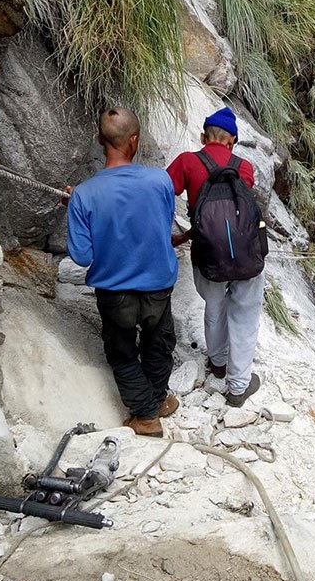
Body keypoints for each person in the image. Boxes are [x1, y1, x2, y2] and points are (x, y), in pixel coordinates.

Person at [67, 108, 179, 438]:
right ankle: (153, 407)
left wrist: (75, 210)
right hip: (158, 285)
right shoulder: (160, 180)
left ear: (101, 140)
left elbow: (81, 254)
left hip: (114, 293)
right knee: (158, 346)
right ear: (134, 140)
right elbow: (163, 223)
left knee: (123, 352)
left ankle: (146, 412)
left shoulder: (84, 194)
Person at [167, 107, 264, 407]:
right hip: (246, 255)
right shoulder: (244, 166)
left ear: (202, 136)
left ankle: (218, 363)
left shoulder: (187, 161)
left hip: (207, 255)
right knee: (244, 315)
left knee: (214, 306)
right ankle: (238, 388)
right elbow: (234, 215)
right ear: (232, 141)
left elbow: (160, 191)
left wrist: (178, 236)